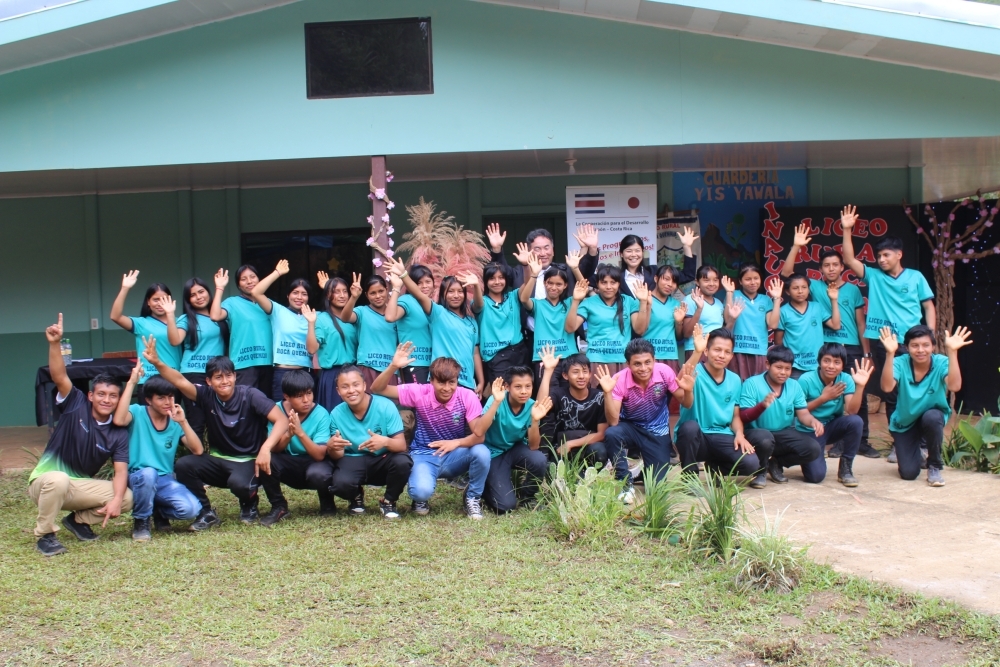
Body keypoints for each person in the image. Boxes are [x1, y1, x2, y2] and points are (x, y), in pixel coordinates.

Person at [142, 337, 289, 529]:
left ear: (235, 376)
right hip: (219, 460)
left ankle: (249, 502)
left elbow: (281, 420)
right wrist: (156, 362)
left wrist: (266, 448)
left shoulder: (250, 395)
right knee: (184, 465)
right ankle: (206, 512)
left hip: (248, 460)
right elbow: (179, 380)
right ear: (209, 381)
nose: (224, 381)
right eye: (218, 377)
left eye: (228, 376)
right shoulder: (206, 395)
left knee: (239, 484)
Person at [29, 314, 132, 557]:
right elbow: (59, 376)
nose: (106, 400)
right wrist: (55, 343)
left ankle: (78, 521)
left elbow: (120, 472)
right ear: (90, 396)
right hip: (46, 482)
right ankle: (45, 535)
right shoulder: (76, 403)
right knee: (59, 480)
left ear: (119, 400)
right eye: (101, 394)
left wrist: (116, 500)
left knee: (126, 497)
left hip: (76, 487)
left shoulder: (118, 433)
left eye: (113, 396)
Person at [842, 204, 935, 461]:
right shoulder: (874, 277)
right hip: (886, 345)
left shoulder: (915, 277)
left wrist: (930, 338)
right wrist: (847, 229)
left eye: (886, 255)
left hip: (914, 345)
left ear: (899, 254)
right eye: (879, 256)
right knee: (892, 396)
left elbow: (929, 306)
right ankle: (899, 444)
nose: (881, 260)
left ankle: (923, 445)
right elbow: (849, 260)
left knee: (918, 394)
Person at [782, 224, 878, 457]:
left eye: (835, 264)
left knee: (857, 393)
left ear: (842, 267)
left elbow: (861, 323)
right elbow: (787, 274)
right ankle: (834, 440)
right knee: (827, 393)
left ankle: (861, 441)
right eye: (826, 265)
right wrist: (796, 246)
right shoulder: (813, 287)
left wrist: (866, 353)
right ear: (820, 269)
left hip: (851, 348)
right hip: (826, 350)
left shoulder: (853, 290)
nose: (831, 268)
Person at [370, 343, 492, 519]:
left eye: (451, 382)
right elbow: (377, 389)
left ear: (457, 381)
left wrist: (456, 443)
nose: (447, 388)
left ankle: (472, 498)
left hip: (454, 455)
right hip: (423, 454)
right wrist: (393, 366)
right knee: (420, 492)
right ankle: (420, 498)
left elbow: (479, 436)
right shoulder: (420, 392)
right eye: (441, 382)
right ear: (432, 380)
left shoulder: (467, 396)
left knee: (482, 452)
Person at [113, 364, 203, 540]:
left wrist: (183, 422)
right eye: (161, 398)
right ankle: (141, 520)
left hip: (164, 479)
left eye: (170, 397)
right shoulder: (137, 412)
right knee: (148, 474)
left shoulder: (174, 421)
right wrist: (131, 382)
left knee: (191, 509)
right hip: (137, 476)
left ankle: (157, 511)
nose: (168, 402)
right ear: (149, 400)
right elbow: (118, 420)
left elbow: (197, 449)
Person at [595, 338, 690, 501]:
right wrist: (607, 393)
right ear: (628, 364)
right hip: (630, 428)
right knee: (612, 433)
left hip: (657, 431)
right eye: (637, 364)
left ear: (654, 360)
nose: (643, 368)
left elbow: (686, 403)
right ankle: (625, 483)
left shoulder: (664, 372)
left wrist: (688, 391)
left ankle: (642, 472)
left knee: (656, 489)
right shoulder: (619, 379)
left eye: (648, 362)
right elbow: (613, 422)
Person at [674, 326, 768, 488]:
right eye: (717, 350)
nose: (722, 355)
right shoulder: (696, 371)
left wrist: (739, 434)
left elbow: (735, 415)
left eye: (727, 352)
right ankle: (690, 478)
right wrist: (696, 352)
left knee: (751, 464)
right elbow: (682, 382)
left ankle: (715, 468)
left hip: (722, 435)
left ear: (732, 355)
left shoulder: (735, 379)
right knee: (689, 428)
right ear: (707, 351)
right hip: (698, 436)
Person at [879, 325, 971, 486]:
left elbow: (955, 386)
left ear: (933, 347)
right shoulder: (900, 362)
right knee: (908, 473)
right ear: (907, 348)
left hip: (930, 417)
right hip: (905, 422)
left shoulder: (941, 362)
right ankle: (919, 454)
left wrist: (952, 352)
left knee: (932, 417)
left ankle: (934, 465)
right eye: (915, 345)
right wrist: (890, 354)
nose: (920, 350)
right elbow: (887, 387)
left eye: (926, 345)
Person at [327, 366, 412, 519]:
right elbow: (337, 455)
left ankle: (389, 501)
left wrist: (385, 442)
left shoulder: (385, 406)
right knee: (340, 484)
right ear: (338, 391)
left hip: (382, 459)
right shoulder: (336, 414)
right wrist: (332, 447)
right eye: (345, 387)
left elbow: (401, 445)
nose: (351, 390)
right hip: (353, 459)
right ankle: (356, 496)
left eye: (356, 384)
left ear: (364, 385)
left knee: (403, 462)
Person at [389, 259, 484, 393]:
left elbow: (475, 352)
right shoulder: (438, 313)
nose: (456, 295)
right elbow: (420, 296)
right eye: (451, 291)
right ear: (443, 294)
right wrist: (404, 275)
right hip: (443, 380)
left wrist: (481, 381)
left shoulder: (471, 321)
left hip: (467, 382)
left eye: (460, 291)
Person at [739, 346, 825, 484]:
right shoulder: (752, 383)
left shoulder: (794, 386)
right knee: (765, 439)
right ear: (767, 364)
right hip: (756, 435)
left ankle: (776, 463)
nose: (783, 372)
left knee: (813, 449)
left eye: (787, 368)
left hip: (782, 433)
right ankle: (760, 471)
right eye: (778, 367)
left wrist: (812, 421)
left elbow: (803, 414)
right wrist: (762, 406)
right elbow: (743, 416)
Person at [794, 344, 873, 487]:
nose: (831, 366)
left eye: (837, 362)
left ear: (843, 365)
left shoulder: (846, 379)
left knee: (856, 421)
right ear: (819, 361)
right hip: (809, 431)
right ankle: (801, 456)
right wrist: (823, 398)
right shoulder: (806, 380)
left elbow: (852, 411)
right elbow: (797, 411)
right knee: (815, 476)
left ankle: (845, 468)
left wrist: (860, 386)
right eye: (826, 361)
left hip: (831, 427)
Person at [477, 367, 553, 514]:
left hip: (514, 449)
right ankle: (484, 487)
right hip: (493, 453)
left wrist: (534, 421)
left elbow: (534, 446)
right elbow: (479, 431)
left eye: (528, 386)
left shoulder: (531, 406)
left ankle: (528, 497)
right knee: (505, 506)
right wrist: (496, 402)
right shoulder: (497, 399)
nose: (524, 391)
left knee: (539, 459)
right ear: (507, 387)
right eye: (518, 387)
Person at [264, 369, 336, 523]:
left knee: (320, 474)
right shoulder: (276, 410)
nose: (306, 400)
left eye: (309, 393)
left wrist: (300, 432)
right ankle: (278, 506)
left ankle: (327, 502)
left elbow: (319, 455)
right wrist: (288, 435)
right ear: (286, 396)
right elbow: (274, 448)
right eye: (299, 396)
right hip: (288, 462)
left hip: (313, 462)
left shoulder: (321, 414)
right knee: (267, 460)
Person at [166, 276, 226, 439]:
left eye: (201, 292)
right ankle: (196, 454)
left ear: (208, 292)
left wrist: (220, 287)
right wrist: (170, 315)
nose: (198, 297)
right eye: (193, 295)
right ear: (188, 300)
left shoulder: (220, 317)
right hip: (194, 373)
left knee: (217, 418)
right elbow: (175, 340)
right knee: (197, 420)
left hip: (216, 374)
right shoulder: (186, 319)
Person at [565, 265, 651, 378]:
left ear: (619, 283)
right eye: (604, 282)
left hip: (622, 360)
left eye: (613, 282)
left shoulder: (629, 301)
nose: (608, 287)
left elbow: (639, 330)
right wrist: (576, 301)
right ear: (597, 284)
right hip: (596, 360)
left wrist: (643, 302)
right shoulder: (589, 302)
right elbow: (570, 328)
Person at [249, 259, 313, 401]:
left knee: (305, 411)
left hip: (305, 372)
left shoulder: (313, 316)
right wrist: (277, 273)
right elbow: (256, 292)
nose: (299, 297)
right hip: (282, 372)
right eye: (295, 292)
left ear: (308, 298)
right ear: (288, 295)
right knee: (282, 410)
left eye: (304, 294)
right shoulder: (278, 311)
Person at [538, 349, 608, 466]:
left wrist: (571, 443)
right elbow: (540, 407)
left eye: (585, 372)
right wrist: (548, 371)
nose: (581, 376)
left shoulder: (599, 397)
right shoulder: (558, 394)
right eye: (575, 372)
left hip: (588, 445)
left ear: (590, 374)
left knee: (600, 451)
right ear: (565, 375)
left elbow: (602, 434)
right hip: (561, 447)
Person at [519, 254, 579, 389]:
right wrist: (534, 275)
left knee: (569, 396)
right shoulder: (537, 304)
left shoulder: (570, 302)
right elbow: (523, 299)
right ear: (544, 283)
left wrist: (575, 268)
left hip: (568, 357)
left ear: (565, 285)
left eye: (559, 284)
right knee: (547, 397)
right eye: (550, 283)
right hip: (544, 358)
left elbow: (583, 288)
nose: (553, 287)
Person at [210, 265, 274, 394]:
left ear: (259, 279)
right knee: (245, 402)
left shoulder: (268, 303)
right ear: (238, 285)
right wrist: (220, 288)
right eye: (243, 279)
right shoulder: (232, 303)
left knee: (266, 403)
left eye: (252, 277)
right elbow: (215, 315)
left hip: (268, 362)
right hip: (243, 363)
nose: (249, 281)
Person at [109, 270, 181, 382]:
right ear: (148, 302)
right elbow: (115, 316)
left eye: (164, 299)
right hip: (148, 380)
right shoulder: (141, 323)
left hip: (174, 379)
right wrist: (125, 288)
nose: (160, 303)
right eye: (156, 300)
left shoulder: (180, 322)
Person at [767, 274, 840, 378]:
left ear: (809, 290)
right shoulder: (783, 311)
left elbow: (836, 325)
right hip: (795, 365)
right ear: (787, 291)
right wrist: (787, 360)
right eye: (795, 288)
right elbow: (778, 341)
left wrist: (834, 300)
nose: (800, 291)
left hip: (817, 364)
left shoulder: (817, 307)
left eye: (804, 287)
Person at [473, 261, 529, 389]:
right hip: (497, 356)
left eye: (501, 277)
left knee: (522, 391)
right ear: (486, 281)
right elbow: (478, 305)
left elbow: (527, 283)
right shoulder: (482, 301)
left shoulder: (513, 296)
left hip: (519, 351)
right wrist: (476, 285)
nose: (497, 282)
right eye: (492, 278)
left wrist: (526, 266)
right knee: (502, 393)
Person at [309, 274, 359, 411]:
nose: (342, 295)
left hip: (354, 372)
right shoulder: (321, 318)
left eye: (345, 291)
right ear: (328, 295)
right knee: (334, 415)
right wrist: (311, 324)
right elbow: (312, 349)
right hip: (333, 376)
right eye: (336, 292)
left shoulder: (354, 317)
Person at [339, 272, 398, 387]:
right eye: (373, 293)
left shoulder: (395, 313)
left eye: (381, 291)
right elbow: (345, 318)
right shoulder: (362, 312)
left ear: (387, 290)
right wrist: (354, 297)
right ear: (366, 295)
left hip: (390, 369)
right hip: (368, 368)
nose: (378, 296)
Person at [383, 264, 434, 384]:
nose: (424, 286)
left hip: (433, 365)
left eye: (428, 281)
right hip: (414, 363)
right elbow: (390, 317)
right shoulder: (407, 300)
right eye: (419, 283)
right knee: (417, 397)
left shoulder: (433, 305)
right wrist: (396, 288)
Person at [617, 226, 699, 300]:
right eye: (629, 251)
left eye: (637, 251)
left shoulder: (654, 271)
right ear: (621, 254)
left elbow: (688, 275)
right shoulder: (616, 277)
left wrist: (687, 247)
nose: (633, 254)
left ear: (643, 252)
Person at [726, 264, 771, 380]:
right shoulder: (734, 294)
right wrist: (729, 293)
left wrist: (776, 299)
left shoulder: (766, 300)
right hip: (737, 349)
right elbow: (727, 319)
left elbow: (773, 324)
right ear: (740, 281)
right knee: (737, 384)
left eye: (756, 278)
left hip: (759, 350)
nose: (753, 282)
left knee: (757, 385)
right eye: (748, 279)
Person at [642, 265, 687, 372]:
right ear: (656, 278)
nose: (670, 284)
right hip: (648, 356)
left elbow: (679, 337)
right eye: (666, 279)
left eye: (674, 282)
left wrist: (679, 322)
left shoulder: (676, 304)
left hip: (671, 356)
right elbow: (639, 330)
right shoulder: (644, 300)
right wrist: (646, 305)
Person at [680, 265, 726, 360]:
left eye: (715, 280)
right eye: (706, 280)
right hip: (696, 350)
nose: (712, 284)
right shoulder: (690, 300)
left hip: (716, 351)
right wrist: (699, 309)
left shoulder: (719, 304)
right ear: (697, 281)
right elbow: (686, 333)